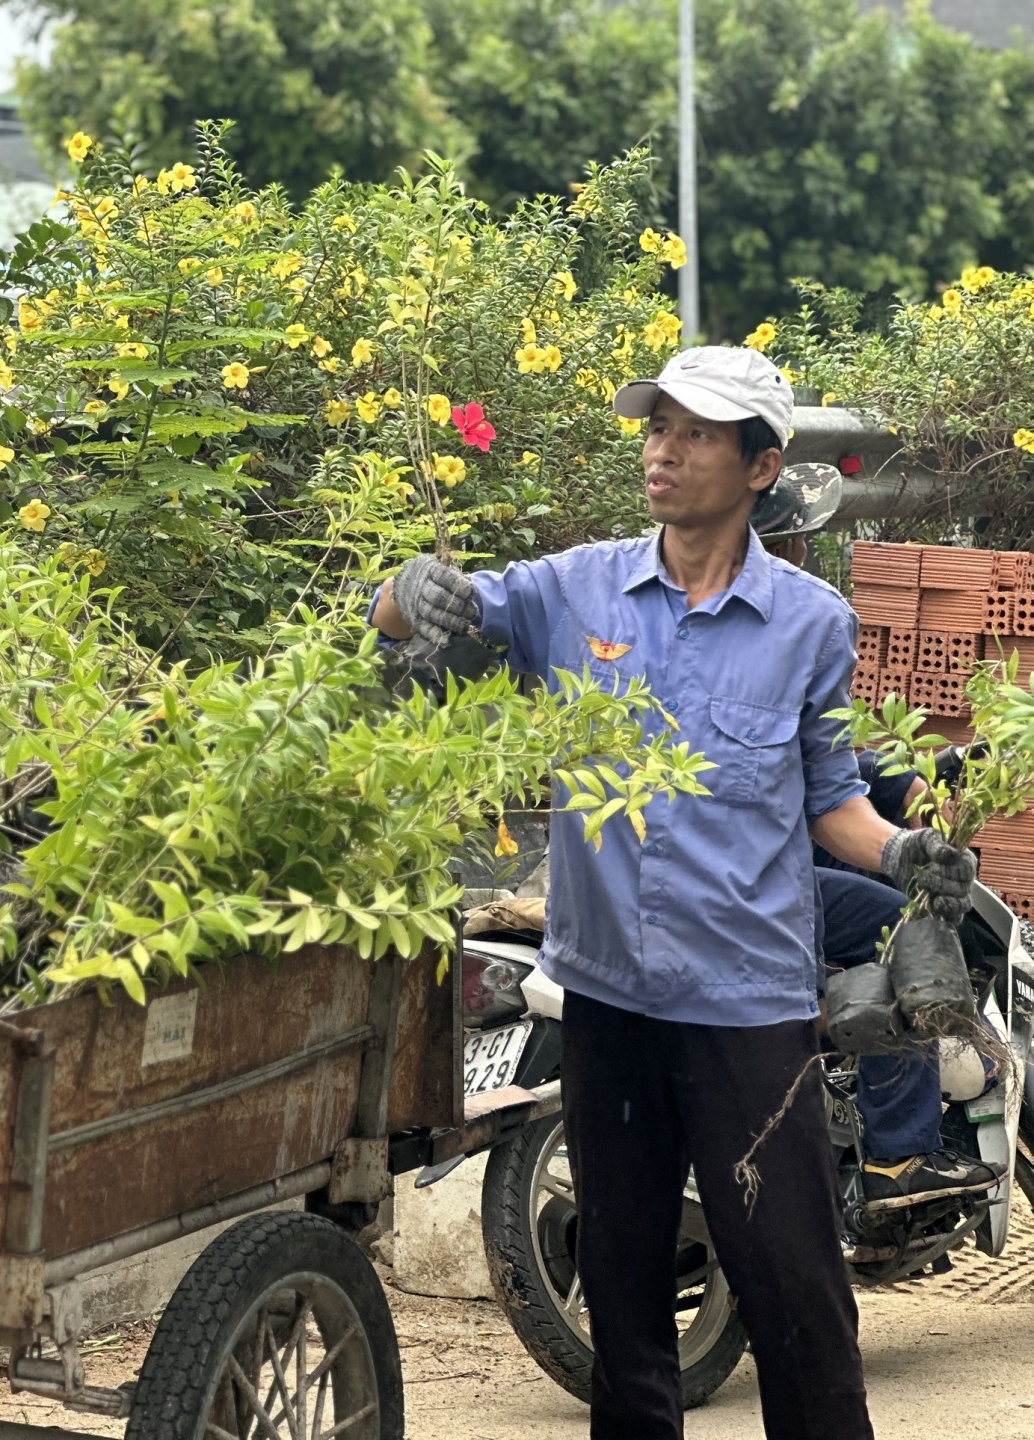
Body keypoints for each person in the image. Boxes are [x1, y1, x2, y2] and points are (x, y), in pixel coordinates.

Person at [369, 346, 976, 1440]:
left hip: (748, 1007)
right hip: (610, 999)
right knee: (624, 1289)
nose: (664, 450)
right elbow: (409, 621)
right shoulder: (576, 589)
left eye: (697, 434)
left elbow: (831, 800)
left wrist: (902, 856)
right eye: (659, 428)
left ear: (760, 466)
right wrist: (403, 594)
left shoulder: (810, 623)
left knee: (794, 1287)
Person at [755, 478, 1003, 1202]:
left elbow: (835, 766)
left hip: (783, 855)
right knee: (899, 940)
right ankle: (896, 1153)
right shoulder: (781, 631)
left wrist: (923, 785)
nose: (804, 558)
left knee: (888, 907)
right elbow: (819, 784)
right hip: (758, 876)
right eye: (799, 544)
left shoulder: (779, 629)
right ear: (784, 548)